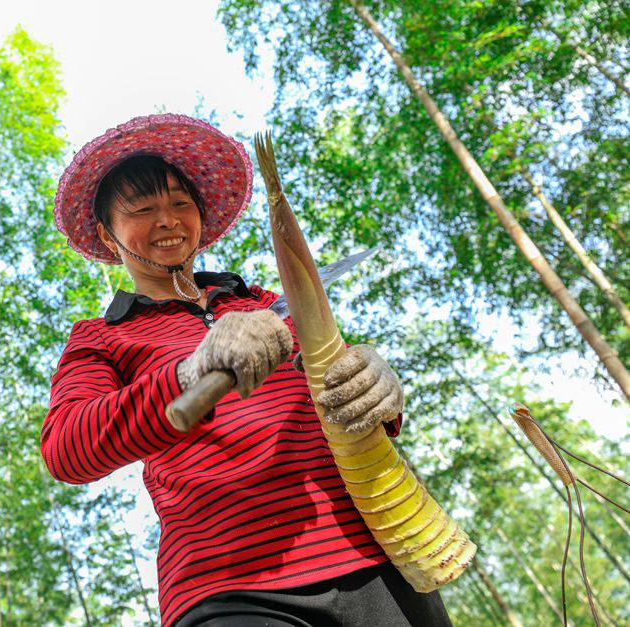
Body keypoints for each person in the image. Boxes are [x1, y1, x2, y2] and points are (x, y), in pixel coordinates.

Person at [41, 113, 450, 626]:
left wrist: (376, 386)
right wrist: (191, 372)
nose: (167, 220)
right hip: (227, 586)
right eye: (144, 209)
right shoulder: (100, 339)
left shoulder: (265, 303)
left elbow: (341, 396)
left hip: (374, 555)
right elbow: (67, 450)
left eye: (180, 204)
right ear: (107, 235)